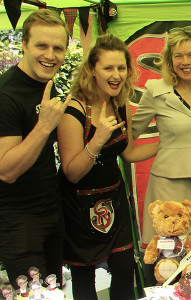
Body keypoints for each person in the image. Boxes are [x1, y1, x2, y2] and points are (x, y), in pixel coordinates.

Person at [57, 34, 157, 299]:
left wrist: (167, 145)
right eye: (108, 68)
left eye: (121, 68)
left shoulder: (120, 104)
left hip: (114, 199)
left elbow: (128, 152)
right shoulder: (74, 110)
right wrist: (98, 139)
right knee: (84, 275)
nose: (116, 75)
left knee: (124, 269)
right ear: (92, 70)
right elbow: (72, 172)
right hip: (79, 204)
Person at [132, 26, 191, 247]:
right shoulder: (155, 89)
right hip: (166, 185)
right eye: (178, 56)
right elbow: (130, 133)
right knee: (168, 255)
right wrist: (166, 146)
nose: (185, 62)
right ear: (169, 60)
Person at [0, 9, 69, 289]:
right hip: (19, 222)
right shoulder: (7, 95)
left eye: (58, 48)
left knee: (54, 294)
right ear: (24, 45)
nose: (50, 55)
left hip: (50, 213)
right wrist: (42, 127)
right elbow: (6, 170)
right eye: (42, 45)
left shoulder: (47, 87)